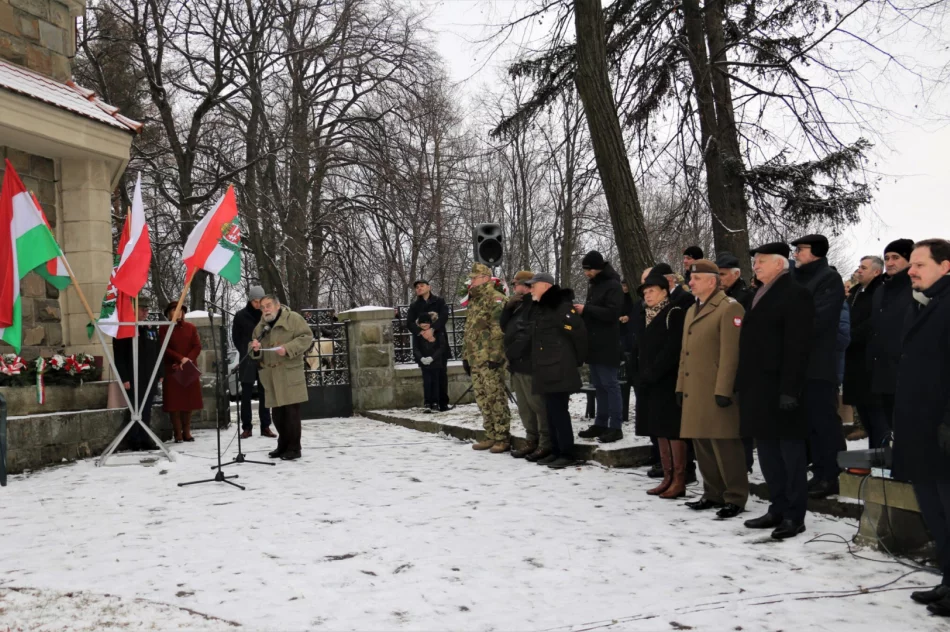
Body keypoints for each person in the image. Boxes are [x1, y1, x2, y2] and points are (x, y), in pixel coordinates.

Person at [738, 243, 815, 540]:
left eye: (761, 261)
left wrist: (790, 390)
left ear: (780, 264)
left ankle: (795, 515)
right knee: (768, 453)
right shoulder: (760, 293)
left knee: (790, 456)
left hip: (782, 389)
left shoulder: (796, 294)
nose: (755, 265)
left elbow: (798, 346)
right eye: (755, 261)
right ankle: (777, 507)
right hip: (759, 389)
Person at [891, 239, 950, 616]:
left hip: (942, 429)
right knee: (934, 510)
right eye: (910, 264)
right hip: (920, 427)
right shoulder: (924, 302)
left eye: (919, 264)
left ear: (946, 266)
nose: (911, 271)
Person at [676, 259, 748, 519]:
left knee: (725, 444)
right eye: (690, 278)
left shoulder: (729, 307)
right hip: (694, 388)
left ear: (711, 281)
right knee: (702, 443)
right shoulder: (691, 310)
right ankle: (712, 492)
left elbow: (731, 354)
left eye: (696, 278)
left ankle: (735, 496)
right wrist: (680, 386)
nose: (691, 282)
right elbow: (685, 353)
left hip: (716, 388)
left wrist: (724, 390)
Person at [789, 234, 846, 499]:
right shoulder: (796, 277)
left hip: (819, 363)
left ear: (816, 252)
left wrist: (787, 329)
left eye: (800, 249)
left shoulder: (828, 279)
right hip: (798, 364)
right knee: (808, 423)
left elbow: (820, 319)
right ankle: (819, 472)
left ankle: (831, 475)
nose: (796, 253)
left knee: (824, 422)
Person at [526, 272, 588, 469]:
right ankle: (555, 450)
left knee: (559, 412)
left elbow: (579, 335)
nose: (530, 289)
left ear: (545, 286)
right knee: (550, 412)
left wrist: (572, 362)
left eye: (533, 285)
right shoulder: (542, 308)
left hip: (559, 369)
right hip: (546, 369)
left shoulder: (561, 307)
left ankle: (566, 452)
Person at [635, 270, 688, 499]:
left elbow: (673, 348)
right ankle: (667, 476)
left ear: (664, 292)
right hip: (650, 382)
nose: (647, 295)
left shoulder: (674, 312)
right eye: (645, 292)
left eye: (652, 291)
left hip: (668, 380)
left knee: (672, 429)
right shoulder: (646, 314)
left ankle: (679, 478)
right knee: (658, 428)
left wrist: (654, 372)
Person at [249, 295, 314, 461]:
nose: (266, 309)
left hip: (289, 372)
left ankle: (294, 448)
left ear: (277, 306)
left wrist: (288, 348)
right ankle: (282, 445)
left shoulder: (293, 319)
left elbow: (307, 337)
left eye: (268, 305)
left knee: (291, 412)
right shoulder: (261, 326)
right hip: (271, 375)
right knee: (277, 414)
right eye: (262, 307)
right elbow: (253, 347)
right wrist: (254, 348)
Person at [867, 238, 915, 450]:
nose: (890, 262)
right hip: (882, 371)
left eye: (896, 257)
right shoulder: (881, 290)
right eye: (887, 258)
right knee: (891, 428)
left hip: (906, 370)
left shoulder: (916, 288)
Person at [575, 251, 625, 443]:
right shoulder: (595, 284)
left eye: (588, 270)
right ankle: (601, 423)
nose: (586, 273)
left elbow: (612, 313)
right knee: (599, 386)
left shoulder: (613, 285)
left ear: (597, 268)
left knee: (610, 385)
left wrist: (586, 309)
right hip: (594, 343)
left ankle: (615, 426)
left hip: (607, 343)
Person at [461, 263, 511, 453]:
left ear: (484, 278)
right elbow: (469, 332)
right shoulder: (475, 300)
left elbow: (498, 331)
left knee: (495, 397)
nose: (471, 281)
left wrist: (495, 357)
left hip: (489, 358)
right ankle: (490, 434)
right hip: (475, 358)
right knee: (482, 398)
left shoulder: (496, 299)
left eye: (474, 278)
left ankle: (502, 436)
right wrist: (466, 357)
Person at [501, 270, 551, 461]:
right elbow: (504, 327)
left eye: (516, 284)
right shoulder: (519, 305)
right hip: (517, 363)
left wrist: (513, 352)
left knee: (537, 405)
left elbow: (528, 334)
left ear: (526, 285)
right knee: (524, 407)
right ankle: (531, 439)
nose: (514, 287)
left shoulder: (536, 304)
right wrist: (508, 308)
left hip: (529, 362)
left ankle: (545, 441)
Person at [843, 257, 885, 445]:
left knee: (877, 418)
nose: (858, 270)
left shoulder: (880, 291)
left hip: (870, 361)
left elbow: (874, 322)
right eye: (859, 266)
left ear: (876, 272)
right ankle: (874, 453)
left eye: (863, 267)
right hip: (854, 361)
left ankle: (881, 454)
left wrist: (850, 335)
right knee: (865, 415)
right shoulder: (856, 292)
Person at [113, 297, 163, 450]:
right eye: (142, 309)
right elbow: (119, 356)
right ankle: (134, 439)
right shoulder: (124, 328)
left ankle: (145, 438)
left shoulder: (150, 328)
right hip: (133, 375)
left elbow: (158, 352)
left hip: (150, 375)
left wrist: (160, 372)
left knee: (146, 409)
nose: (145, 312)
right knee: (135, 408)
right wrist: (124, 377)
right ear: (133, 309)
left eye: (147, 310)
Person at [231, 285, 275, 439]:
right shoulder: (240, 316)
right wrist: (246, 350)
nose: (257, 304)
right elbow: (236, 337)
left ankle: (265, 426)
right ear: (250, 301)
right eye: (255, 301)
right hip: (247, 358)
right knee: (246, 394)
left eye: (260, 301)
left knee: (264, 393)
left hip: (264, 358)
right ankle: (247, 427)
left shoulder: (267, 315)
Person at [159, 303, 203, 443]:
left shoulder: (190, 327)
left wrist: (187, 360)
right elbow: (164, 347)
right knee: (174, 403)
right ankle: (177, 433)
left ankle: (187, 432)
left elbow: (197, 346)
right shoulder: (164, 328)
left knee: (188, 402)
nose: (178, 312)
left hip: (188, 368)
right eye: (175, 310)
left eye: (181, 310)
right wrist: (180, 359)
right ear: (169, 313)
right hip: (172, 368)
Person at [406, 279, 450, 411]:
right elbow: (409, 322)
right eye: (417, 287)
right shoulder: (414, 306)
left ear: (429, 287)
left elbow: (444, 317)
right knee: (427, 375)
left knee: (442, 373)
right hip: (422, 344)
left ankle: (443, 403)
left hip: (439, 341)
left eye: (422, 286)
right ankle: (429, 402)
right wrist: (421, 332)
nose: (419, 288)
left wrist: (433, 329)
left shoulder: (439, 301)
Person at [413, 312, 448, 413]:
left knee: (436, 382)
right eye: (422, 324)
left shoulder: (437, 332)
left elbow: (442, 346)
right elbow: (415, 348)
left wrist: (433, 358)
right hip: (424, 362)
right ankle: (427, 403)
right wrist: (421, 358)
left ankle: (435, 403)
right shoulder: (418, 334)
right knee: (427, 382)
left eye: (426, 324)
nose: (424, 326)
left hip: (435, 361)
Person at [619, 279, 637, 422]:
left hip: (630, 333)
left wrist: (628, 318)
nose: (624, 288)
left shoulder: (633, 299)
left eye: (626, 285)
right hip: (621, 332)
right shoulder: (619, 298)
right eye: (622, 285)